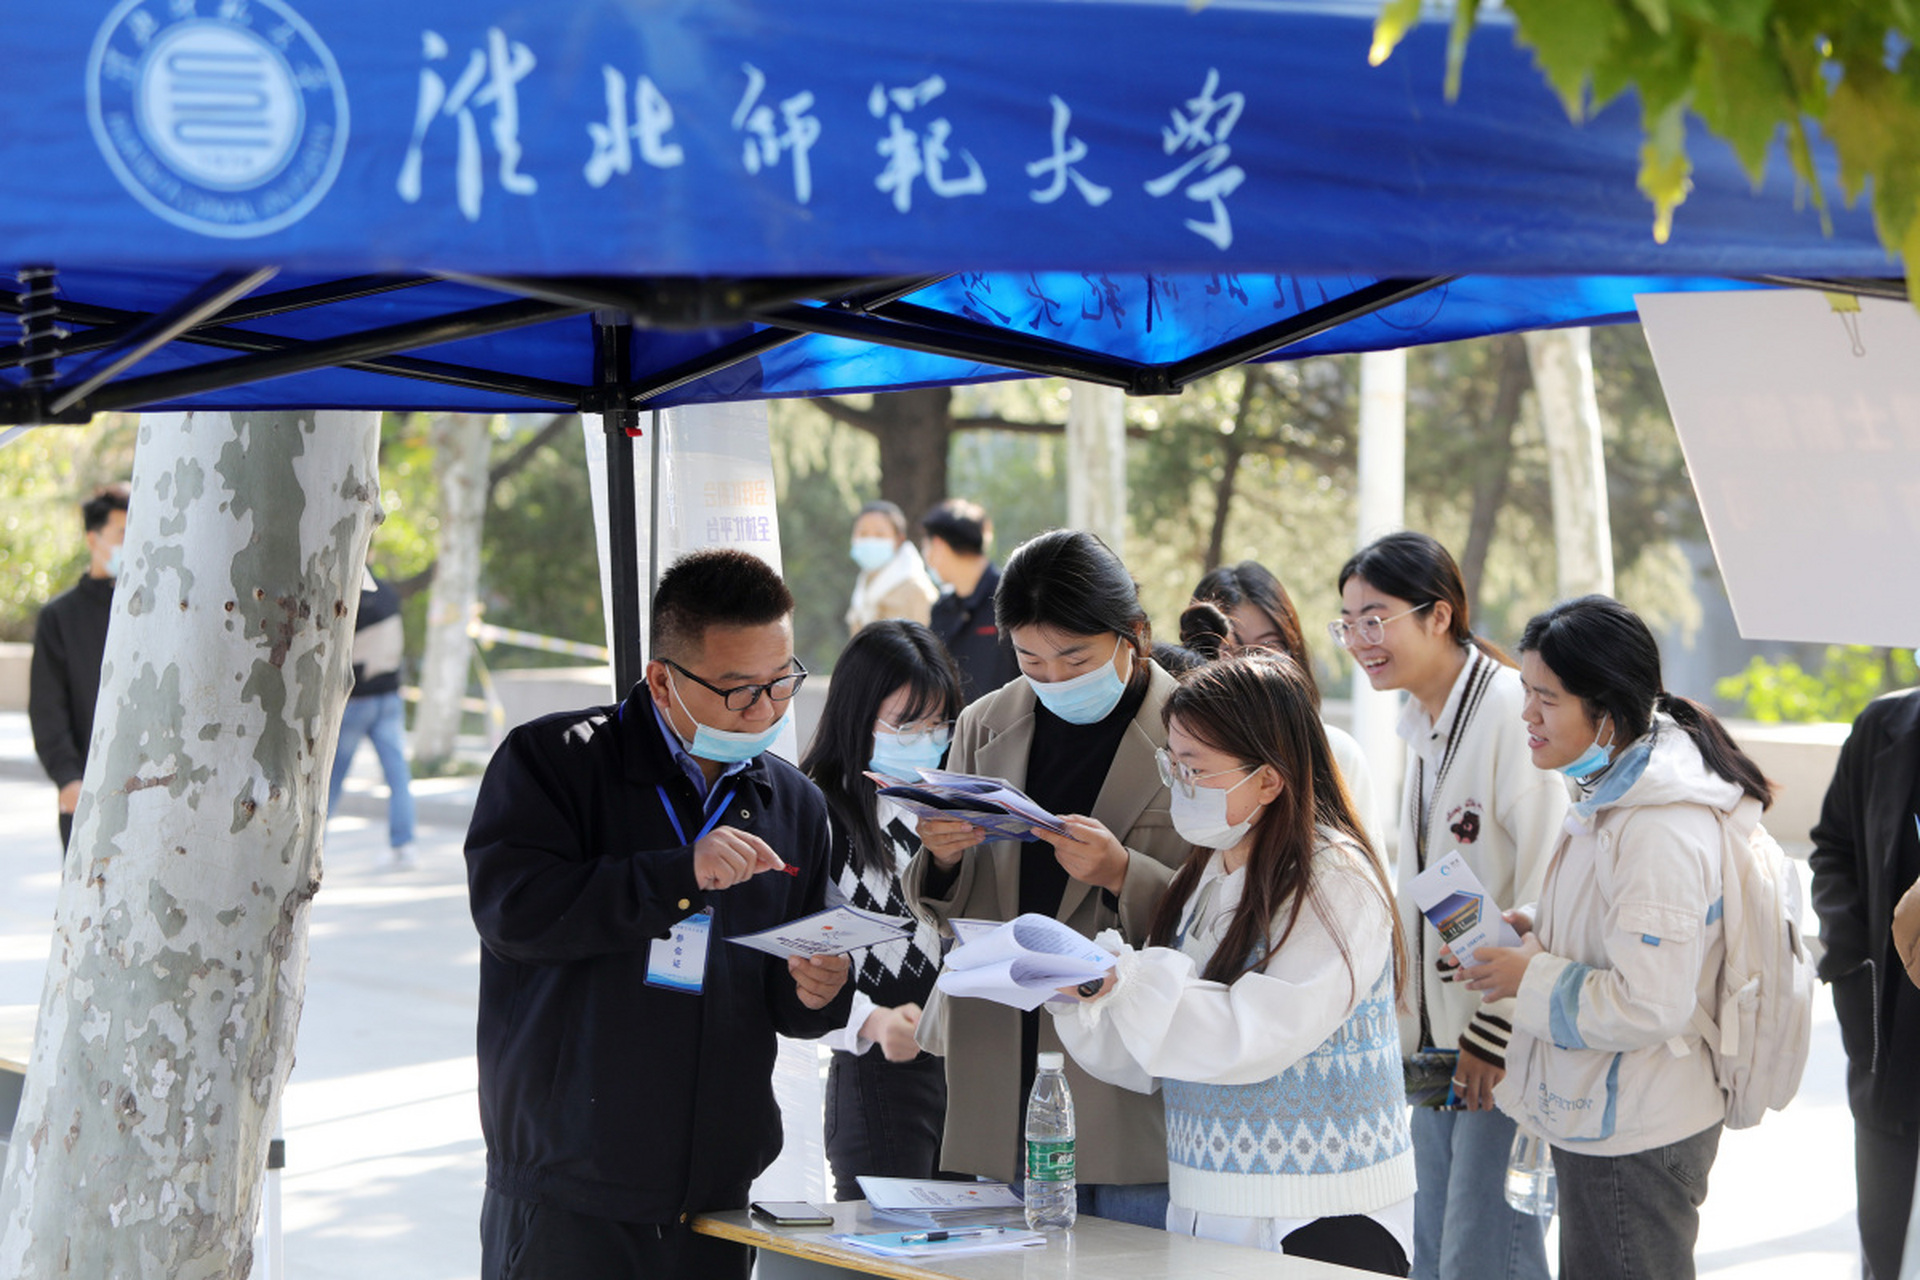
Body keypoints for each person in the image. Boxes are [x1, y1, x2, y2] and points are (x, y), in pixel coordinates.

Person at [465, 548, 853, 1280]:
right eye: (739, 691)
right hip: (570, 1184)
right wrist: (680, 873)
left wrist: (820, 987)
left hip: (713, 1195)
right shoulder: (555, 763)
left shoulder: (792, 801)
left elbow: (791, 990)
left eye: (781, 682)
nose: (766, 709)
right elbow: (514, 915)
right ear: (662, 680)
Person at [1052, 653, 1415, 1275]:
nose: (1178, 784)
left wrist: (1129, 983)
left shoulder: (1334, 878)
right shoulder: (1208, 872)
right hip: (1206, 1200)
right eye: (1171, 763)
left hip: (1317, 1211)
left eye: (1194, 768)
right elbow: (1157, 1056)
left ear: (1269, 780)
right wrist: (1086, 992)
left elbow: (1257, 1031)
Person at [1463, 594, 1769, 1280]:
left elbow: (1648, 1002)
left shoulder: (1656, 825)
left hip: (1636, 1125)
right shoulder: (1616, 792)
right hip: (1613, 1108)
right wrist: (1537, 928)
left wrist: (1527, 979)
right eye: (1526, 693)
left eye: (1547, 698)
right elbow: (1625, 928)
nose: (1527, 716)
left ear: (1605, 712)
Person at [904, 528, 1185, 1229]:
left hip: (1121, 1075)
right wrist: (940, 856)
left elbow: (1226, 903)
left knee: (1132, 1260)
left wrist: (1123, 872)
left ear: (1134, 637)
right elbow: (951, 906)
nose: (1054, 678)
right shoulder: (984, 724)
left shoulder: (1194, 733)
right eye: (1031, 658)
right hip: (1000, 1056)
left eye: (1074, 657)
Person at [1333, 532, 1564, 1280]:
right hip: (1439, 1050)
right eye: (1348, 623)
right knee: (1431, 1254)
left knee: (1485, 1255)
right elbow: (1444, 890)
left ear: (1439, 616)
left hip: (1497, 1048)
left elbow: (1547, 890)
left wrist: (1495, 1035)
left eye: (1376, 617)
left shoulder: (1505, 711)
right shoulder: (1422, 724)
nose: (1361, 640)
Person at [798, 620, 964, 1200]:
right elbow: (796, 957)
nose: (927, 738)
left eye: (939, 722)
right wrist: (870, 1022)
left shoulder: (954, 802)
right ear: (857, 714)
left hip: (966, 1071)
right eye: (906, 724)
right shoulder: (815, 812)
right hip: (878, 1070)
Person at [1810, 686, 1920, 1280]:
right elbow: (1833, 847)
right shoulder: (1883, 725)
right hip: (1893, 1045)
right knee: (1886, 1247)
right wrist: (1852, 965)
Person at [1191, 559, 1384, 843]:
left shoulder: (1337, 754)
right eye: (1229, 650)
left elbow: (1369, 878)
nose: (1249, 663)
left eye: (1268, 647)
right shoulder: (1180, 763)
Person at [29, 482, 129, 854]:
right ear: (93, 539)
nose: (129, 542)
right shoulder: (60, 617)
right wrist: (68, 778)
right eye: (121, 532)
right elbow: (47, 707)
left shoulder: (156, 608)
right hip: (87, 793)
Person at [327, 568, 417, 869]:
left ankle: (315, 846)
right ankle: (404, 845)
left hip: (356, 700)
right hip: (390, 697)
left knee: (332, 779)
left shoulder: (345, 594)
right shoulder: (388, 593)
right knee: (398, 776)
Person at [921, 497, 1019, 704]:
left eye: (926, 546)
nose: (926, 557)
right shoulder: (943, 609)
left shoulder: (1013, 598)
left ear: (937, 544)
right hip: (959, 731)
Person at [846, 499, 937, 636]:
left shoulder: (916, 590)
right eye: (863, 534)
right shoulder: (863, 586)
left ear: (899, 539)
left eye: (879, 534)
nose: (870, 541)